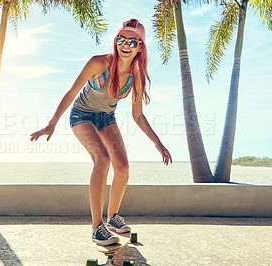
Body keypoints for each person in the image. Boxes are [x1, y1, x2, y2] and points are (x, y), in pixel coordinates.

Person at [30, 18, 172, 246]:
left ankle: (113, 217)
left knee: (123, 168)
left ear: (140, 47)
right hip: (82, 115)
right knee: (102, 159)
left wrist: (158, 143)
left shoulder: (135, 77)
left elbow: (138, 115)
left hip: (107, 117)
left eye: (132, 42)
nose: (126, 45)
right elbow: (70, 93)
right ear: (116, 41)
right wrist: (52, 123)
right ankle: (97, 227)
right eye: (121, 39)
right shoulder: (99, 63)